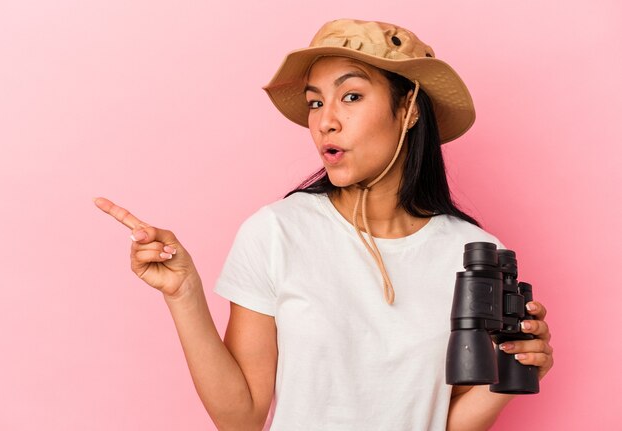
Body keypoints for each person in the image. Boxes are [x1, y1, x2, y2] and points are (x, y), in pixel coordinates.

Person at [94, 19, 553, 431]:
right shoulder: (278, 231)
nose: (324, 122)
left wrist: (515, 372)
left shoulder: (474, 251)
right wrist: (184, 294)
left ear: (409, 108)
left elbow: (441, 422)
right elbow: (241, 418)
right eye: (316, 103)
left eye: (351, 96)